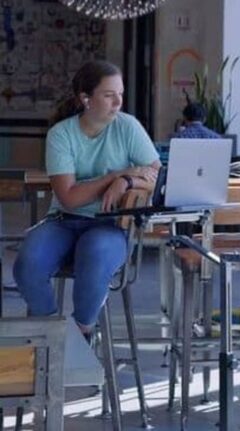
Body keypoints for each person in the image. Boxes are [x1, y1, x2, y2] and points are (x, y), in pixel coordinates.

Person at [13, 60, 160, 339]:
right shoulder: (61, 134)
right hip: (63, 221)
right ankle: (53, 337)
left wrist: (126, 181)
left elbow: (157, 177)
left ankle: (82, 334)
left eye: (120, 94)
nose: (118, 102)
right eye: (108, 95)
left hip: (110, 225)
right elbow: (69, 198)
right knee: (27, 265)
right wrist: (114, 175)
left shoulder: (128, 127)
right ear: (85, 99)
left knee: (94, 254)